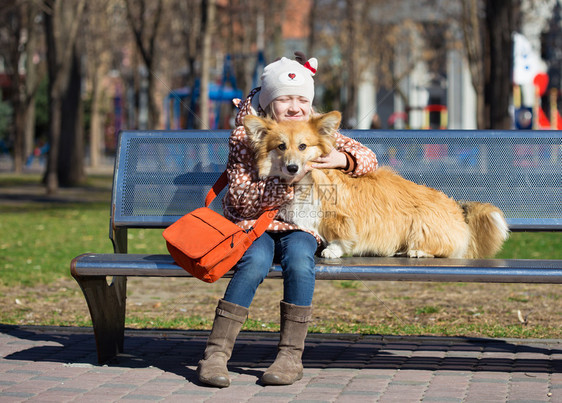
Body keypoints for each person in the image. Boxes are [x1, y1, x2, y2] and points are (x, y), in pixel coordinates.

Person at [197, 52, 379, 388]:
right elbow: (238, 199)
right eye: (284, 99)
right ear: (269, 104)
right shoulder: (247, 135)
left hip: (299, 227)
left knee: (300, 260)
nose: (294, 106)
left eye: (301, 99)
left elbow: (369, 159)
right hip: (255, 225)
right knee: (253, 263)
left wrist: (342, 158)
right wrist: (284, 184)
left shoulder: (315, 128)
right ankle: (215, 354)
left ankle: (290, 355)